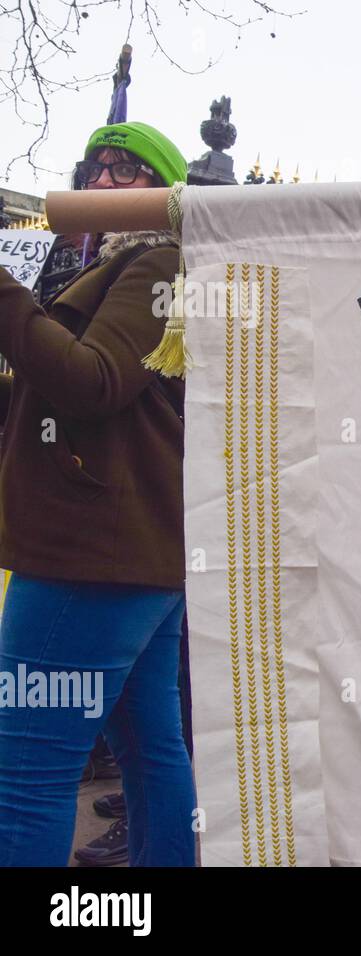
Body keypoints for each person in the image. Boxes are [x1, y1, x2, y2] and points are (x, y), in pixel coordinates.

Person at [0, 121, 195, 866]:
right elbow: (73, 389)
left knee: (26, 771)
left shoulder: (160, 261)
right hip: (128, 554)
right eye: (98, 167)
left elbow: (94, 382)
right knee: (151, 752)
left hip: (89, 557)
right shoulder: (127, 266)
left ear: (167, 192)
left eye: (129, 170)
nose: (104, 181)